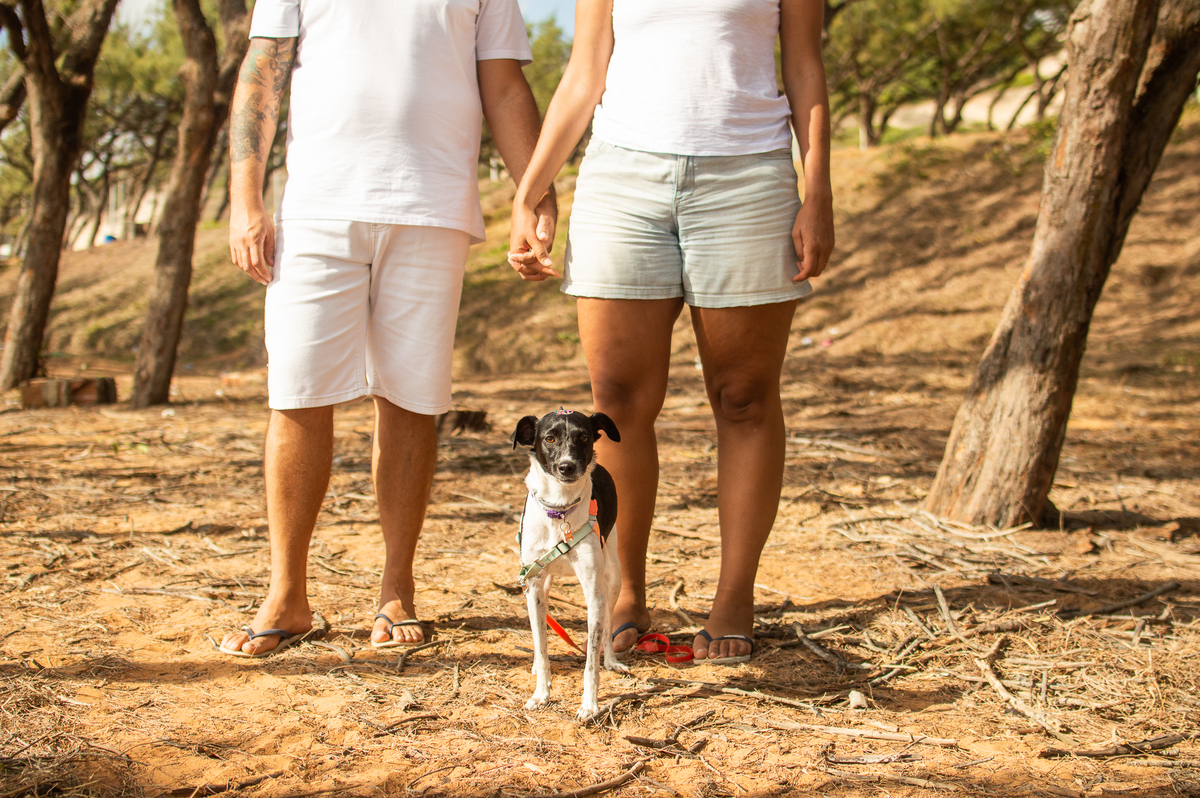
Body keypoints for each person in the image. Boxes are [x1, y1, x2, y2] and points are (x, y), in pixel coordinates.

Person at [222, 0, 556, 656]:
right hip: (316, 205)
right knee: (297, 393)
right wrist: (245, 198)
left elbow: (506, 84)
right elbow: (263, 68)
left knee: (411, 398)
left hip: (431, 204)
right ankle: (287, 594)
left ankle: (396, 588)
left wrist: (534, 196)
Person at [508, 0, 834, 663]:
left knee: (744, 397)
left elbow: (804, 65)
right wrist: (530, 189)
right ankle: (624, 590)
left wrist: (818, 187)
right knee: (620, 403)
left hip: (748, 178)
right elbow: (585, 69)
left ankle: (734, 596)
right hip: (622, 180)